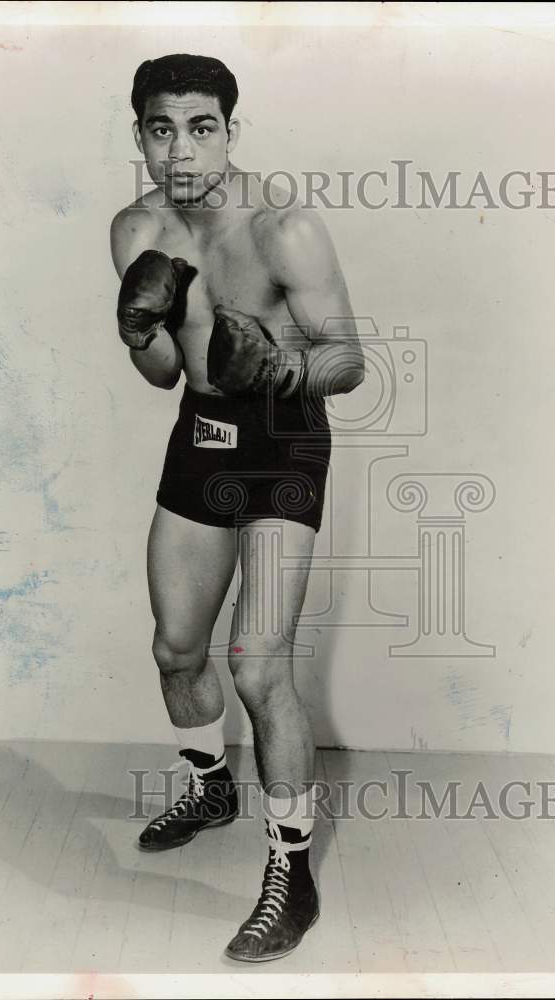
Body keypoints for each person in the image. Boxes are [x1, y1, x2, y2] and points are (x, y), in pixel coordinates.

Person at [109, 53, 364, 963]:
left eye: (201, 127)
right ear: (139, 136)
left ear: (230, 132)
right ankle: (211, 786)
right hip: (201, 433)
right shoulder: (136, 228)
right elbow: (163, 372)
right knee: (176, 650)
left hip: (284, 440)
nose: (181, 150)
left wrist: (283, 368)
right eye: (161, 129)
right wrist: (137, 330)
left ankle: (290, 874)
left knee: (257, 666)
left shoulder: (284, 230)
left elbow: (348, 360)